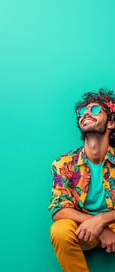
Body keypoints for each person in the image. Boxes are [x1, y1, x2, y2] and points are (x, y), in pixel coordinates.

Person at [49, 89, 115, 272]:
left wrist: (103, 219)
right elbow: (59, 209)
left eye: (94, 110)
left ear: (111, 123)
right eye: (82, 112)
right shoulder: (63, 163)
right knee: (60, 230)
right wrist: (99, 227)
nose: (85, 113)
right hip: (84, 230)